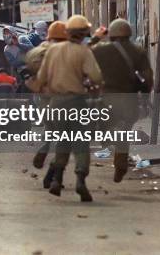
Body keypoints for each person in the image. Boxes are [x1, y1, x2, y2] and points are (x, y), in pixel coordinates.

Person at [33, 15, 103, 202]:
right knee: (80, 143)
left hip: (55, 103)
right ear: (83, 33)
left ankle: (57, 179)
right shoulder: (83, 52)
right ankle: (80, 180)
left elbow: (41, 78)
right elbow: (96, 77)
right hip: (76, 102)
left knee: (62, 142)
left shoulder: (52, 50)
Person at [92, 19, 153, 183]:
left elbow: (85, 61)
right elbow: (147, 78)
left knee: (107, 127)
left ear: (111, 34)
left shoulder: (100, 50)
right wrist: (145, 96)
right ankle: (120, 162)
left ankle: (111, 145)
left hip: (106, 98)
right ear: (129, 33)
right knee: (123, 130)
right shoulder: (137, 51)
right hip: (128, 98)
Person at [25, 21, 68, 187]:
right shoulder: (64, 51)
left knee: (51, 131)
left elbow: (28, 68)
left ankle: (44, 148)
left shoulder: (38, 51)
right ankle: (53, 175)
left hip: (43, 99)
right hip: (62, 99)